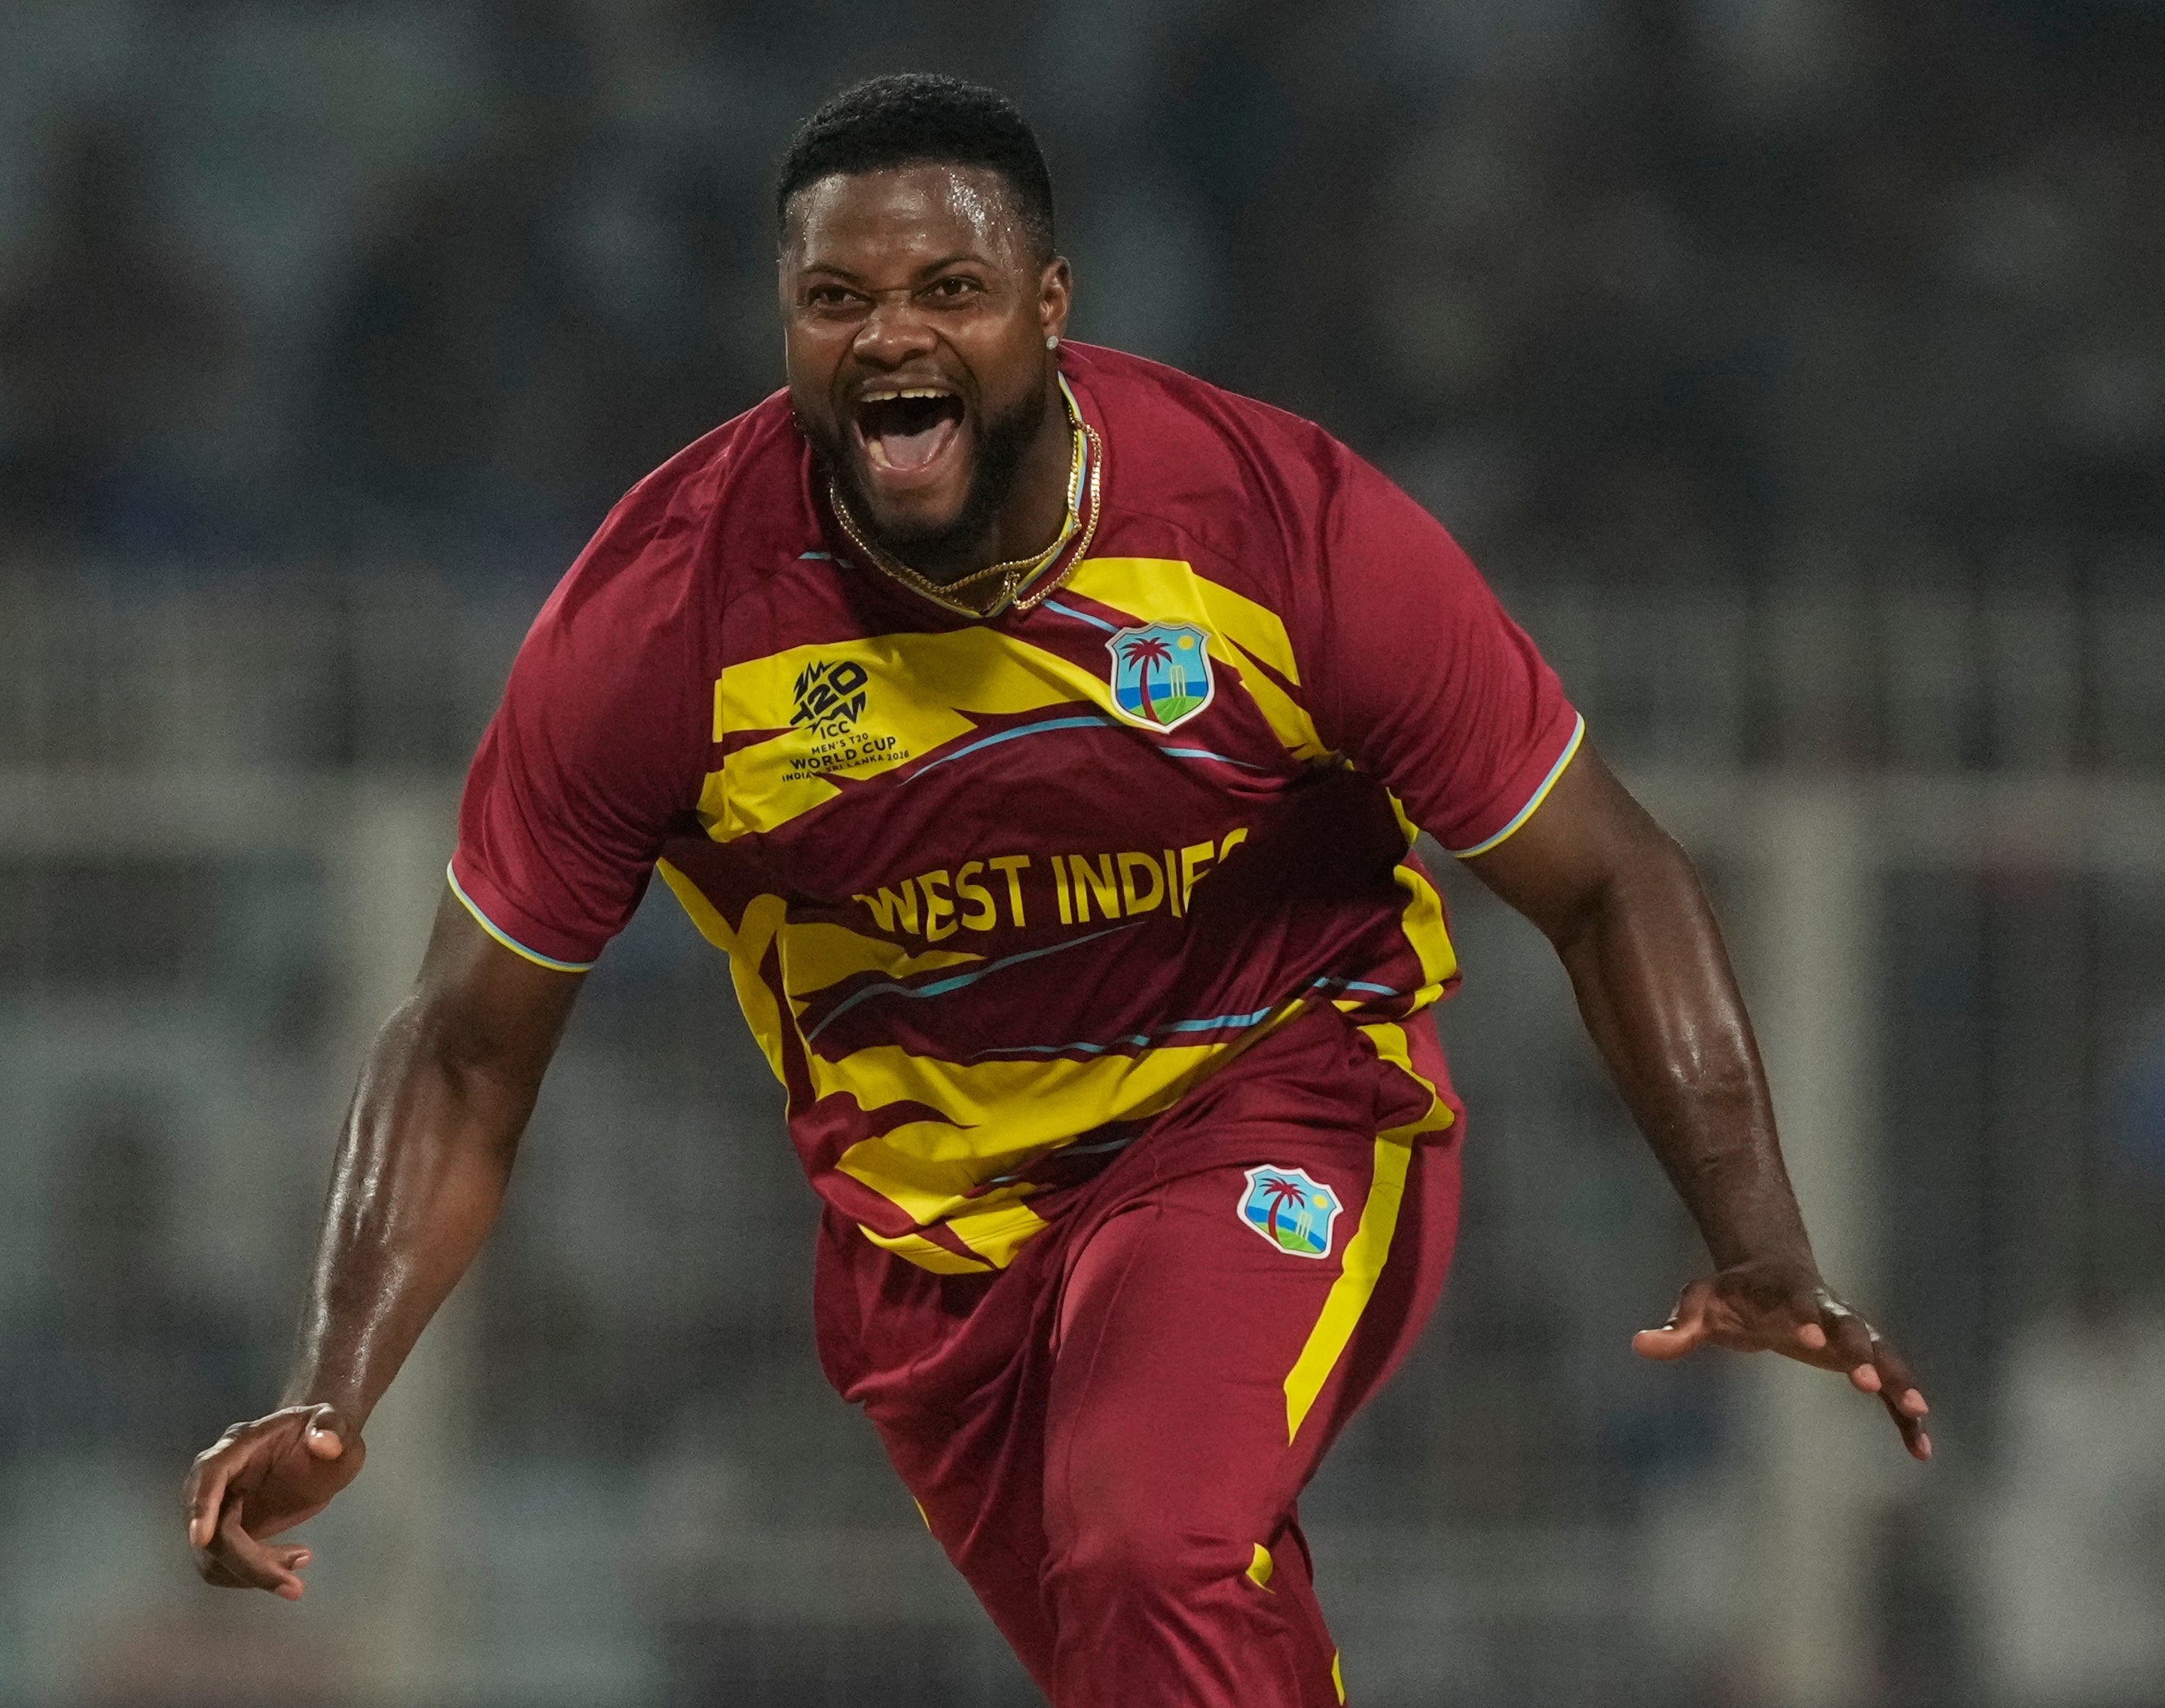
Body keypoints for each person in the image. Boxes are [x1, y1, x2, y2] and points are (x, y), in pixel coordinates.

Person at [185, 74, 1929, 1705]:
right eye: (836, 300)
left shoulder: (1280, 529)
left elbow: (1610, 874)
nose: (892, 338)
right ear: (785, 323)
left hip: (1277, 1101)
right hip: (935, 1252)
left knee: (1151, 1540)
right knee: (1155, 1636)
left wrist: (1759, 1238)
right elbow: (469, 1048)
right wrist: (333, 1384)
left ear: (1050, 305)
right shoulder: (660, 618)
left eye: (951, 287)